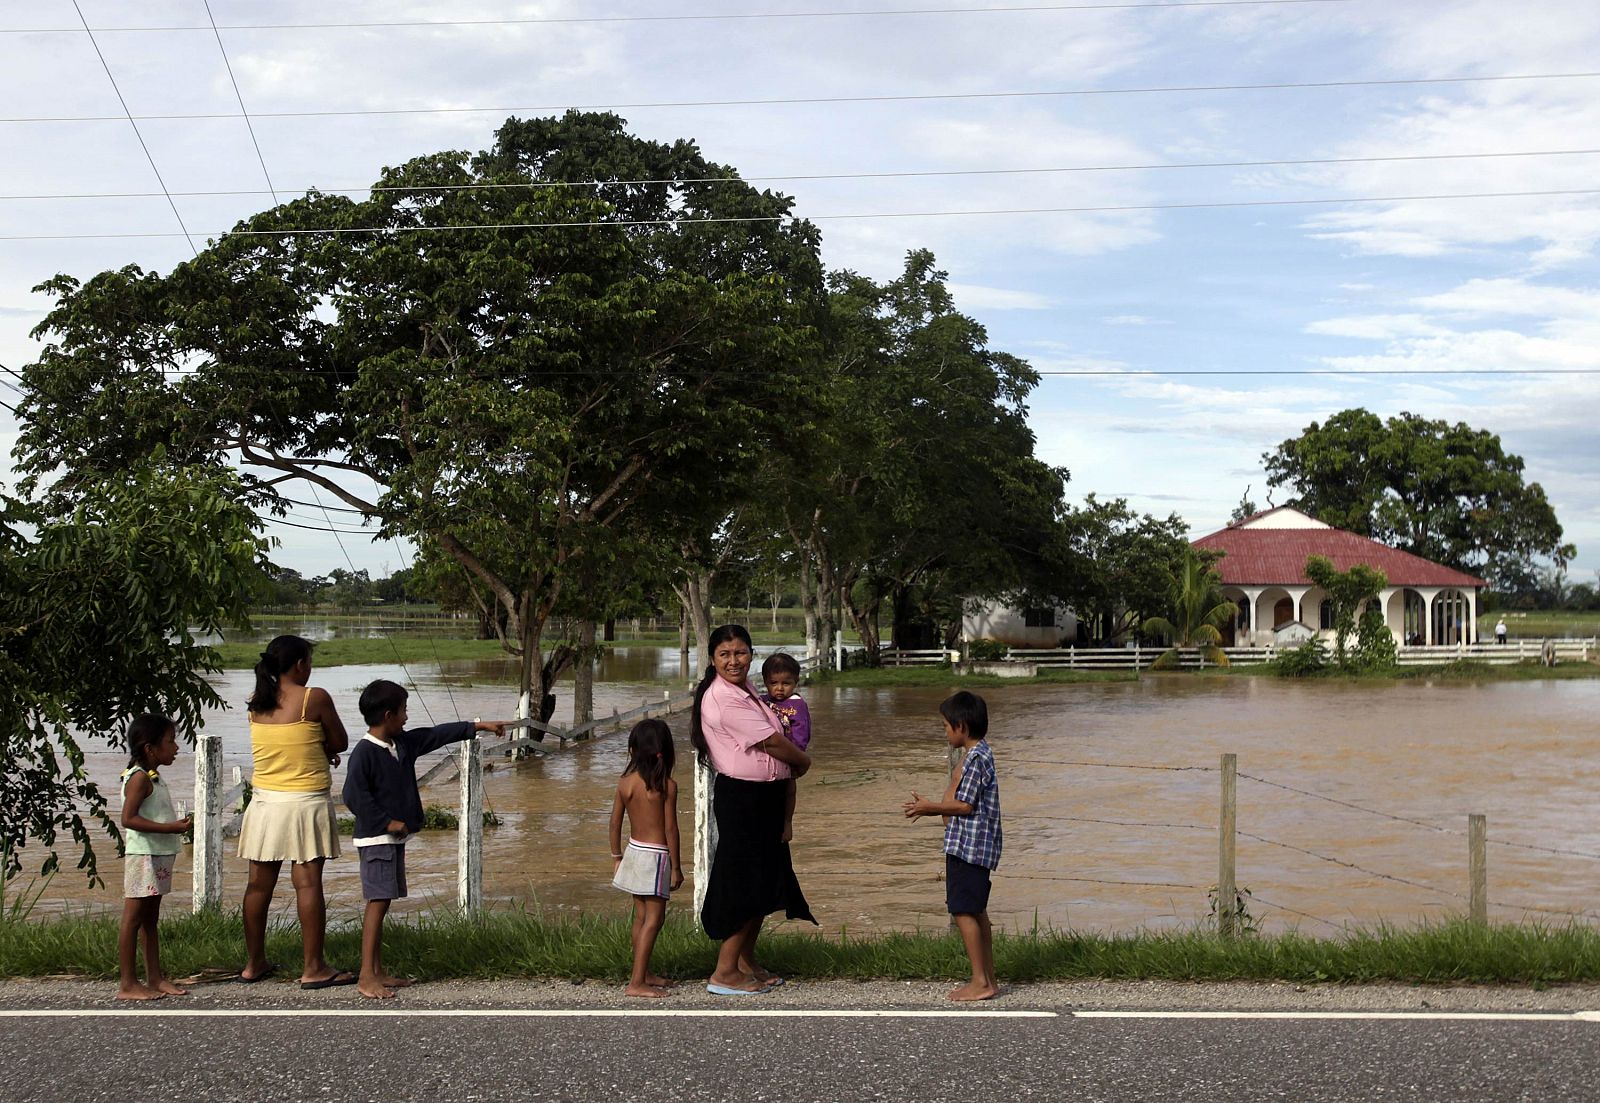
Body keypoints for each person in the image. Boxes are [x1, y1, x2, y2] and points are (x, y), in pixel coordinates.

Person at [342, 679, 508, 1000]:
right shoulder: (364, 753)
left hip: (392, 841)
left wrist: (478, 726)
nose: (407, 718)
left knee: (384, 901)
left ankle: (377, 971)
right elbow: (353, 796)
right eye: (403, 711)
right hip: (376, 841)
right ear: (389, 715)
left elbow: (435, 735)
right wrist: (387, 822)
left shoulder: (400, 744)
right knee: (376, 905)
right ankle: (366, 976)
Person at [691, 624, 816, 995]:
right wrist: (803, 763)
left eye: (741, 653)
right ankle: (725, 971)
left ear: (751, 654)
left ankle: (745, 961)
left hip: (765, 797)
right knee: (743, 883)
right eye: (725, 655)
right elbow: (773, 742)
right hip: (744, 799)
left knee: (765, 880)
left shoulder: (745, 690)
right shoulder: (724, 698)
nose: (734, 661)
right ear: (712, 660)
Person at [236, 635, 353, 989]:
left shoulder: (257, 703)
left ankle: (254, 963)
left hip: (265, 804)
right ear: (300, 665)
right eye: (309, 662)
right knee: (307, 884)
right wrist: (323, 748)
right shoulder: (313, 698)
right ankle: (313, 967)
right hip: (305, 803)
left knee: (258, 886)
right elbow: (341, 741)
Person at [903, 691, 1002, 1002]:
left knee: (963, 910)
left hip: (969, 847)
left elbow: (964, 806)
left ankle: (980, 982)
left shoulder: (975, 759)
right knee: (976, 910)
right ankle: (987, 977)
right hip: (971, 845)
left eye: (946, 726)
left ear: (961, 726)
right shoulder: (977, 755)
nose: (944, 731)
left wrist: (929, 807)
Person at [117, 713, 194, 1001]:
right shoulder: (138, 779)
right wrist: (170, 827)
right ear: (150, 748)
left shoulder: (152, 776)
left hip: (158, 855)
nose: (175, 748)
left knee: (150, 918)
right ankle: (127, 983)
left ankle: (154, 977)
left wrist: (173, 827)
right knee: (133, 917)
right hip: (143, 856)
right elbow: (128, 819)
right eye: (170, 742)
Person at [607, 717, 684, 999]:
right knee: (655, 918)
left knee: (640, 917)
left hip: (633, 850)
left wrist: (617, 855)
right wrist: (676, 866)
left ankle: (643, 972)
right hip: (656, 857)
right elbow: (670, 829)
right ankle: (637, 981)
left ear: (633, 750)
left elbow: (614, 823)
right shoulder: (665, 786)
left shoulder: (625, 783)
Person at [759, 652, 811, 844]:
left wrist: (796, 755)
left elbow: (802, 731)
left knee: (790, 790)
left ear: (796, 682)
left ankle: (787, 823)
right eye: (774, 683)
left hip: (788, 754)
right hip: (767, 755)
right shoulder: (762, 701)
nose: (780, 689)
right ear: (766, 682)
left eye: (786, 683)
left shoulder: (797, 705)